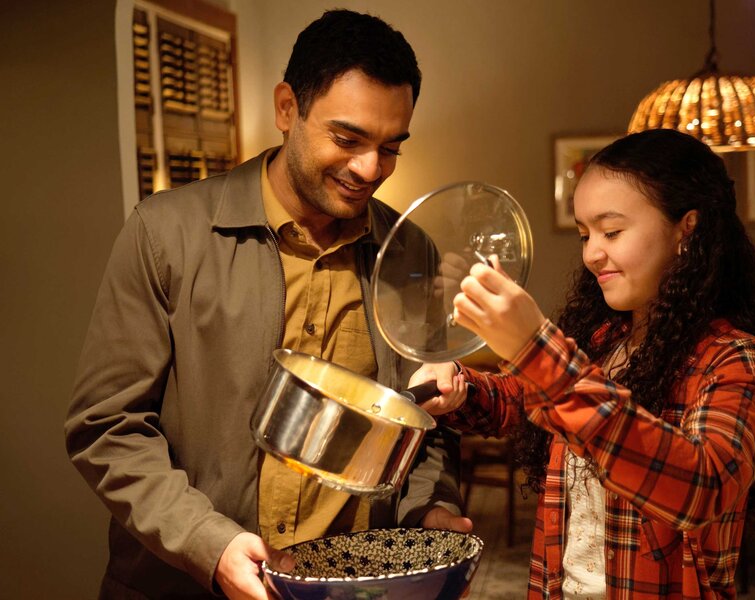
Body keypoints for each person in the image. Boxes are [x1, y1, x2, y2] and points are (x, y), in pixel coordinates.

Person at [66, 10, 470, 599]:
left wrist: (429, 508)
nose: (369, 169)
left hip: (344, 585)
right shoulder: (165, 233)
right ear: (287, 109)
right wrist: (210, 542)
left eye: (390, 148)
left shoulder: (409, 252)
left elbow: (423, 426)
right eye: (347, 139)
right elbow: (106, 428)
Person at [413, 129, 755, 599]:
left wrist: (536, 349)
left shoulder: (739, 361)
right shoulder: (604, 340)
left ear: (688, 228)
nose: (592, 252)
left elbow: (700, 486)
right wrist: (456, 386)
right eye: (585, 233)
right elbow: (517, 399)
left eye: (612, 231)